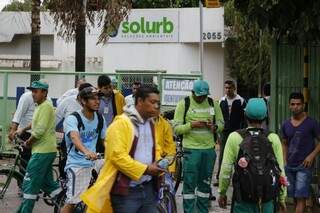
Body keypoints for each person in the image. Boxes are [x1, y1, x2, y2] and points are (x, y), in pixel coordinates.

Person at [81, 85, 166, 213]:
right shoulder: (122, 124)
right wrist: (146, 169)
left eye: (158, 103)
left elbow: (155, 149)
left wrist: (159, 162)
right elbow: (117, 157)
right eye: (152, 102)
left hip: (147, 188)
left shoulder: (151, 123)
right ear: (140, 102)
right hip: (126, 191)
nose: (156, 106)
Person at [218, 98, 286, 213]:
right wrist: (282, 198)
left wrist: (222, 193)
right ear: (265, 116)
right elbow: (280, 171)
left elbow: (225, 170)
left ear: (245, 114)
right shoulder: (273, 138)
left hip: (242, 199)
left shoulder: (234, 137)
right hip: (267, 201)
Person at [173, 80, 224, 213]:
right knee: (189, 185)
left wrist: (214, 127)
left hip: (208, 151)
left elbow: (221, 124)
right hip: (191, 151)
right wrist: (191, 125)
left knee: (205, 185)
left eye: (204, 96)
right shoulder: (184, 104)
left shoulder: (213, 104)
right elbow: (177, 129)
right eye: (199, 96)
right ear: (192, 93)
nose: (202, 98)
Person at [16, 81, 61, 213]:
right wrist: (22, 129)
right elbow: (35, 123)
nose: (33, 94)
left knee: (29, 185)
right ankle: (65, 200)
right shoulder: (40, 106)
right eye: (32, 91)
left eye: (36, 91)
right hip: (46, 150)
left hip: (42, 152)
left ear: (44, 93)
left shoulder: (46, 106)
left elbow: (39, 131)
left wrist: (28, 142)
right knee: (47, 184)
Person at [61, 86, 107, 213]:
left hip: (94, 161)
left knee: (114, 171)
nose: (97, 101)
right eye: (93, 98)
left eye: (98, 98)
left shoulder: (99, 118)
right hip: (77, 164)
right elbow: (75, 138)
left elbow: (105, 140)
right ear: (83, 101)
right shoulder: (73, 118)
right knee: (73, 201)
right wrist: (86, 152)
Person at [281, 92, 320, 213]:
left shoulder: (311, 123)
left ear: (303, 105)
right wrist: (284, 160)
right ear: (289, 105)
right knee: (294, 197)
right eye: (293, 104)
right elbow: (285, 143)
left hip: (304, 166)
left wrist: (311, 156)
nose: (295, 107)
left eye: (298, 104)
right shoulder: (285, 124)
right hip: (289, 166)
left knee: (300, 197)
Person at [216, 80, 246, 185]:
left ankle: (237, 178)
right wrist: (218, 133)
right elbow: (218, 118)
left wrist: (243, 132)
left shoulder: (241, 101)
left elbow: (244, 119)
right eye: (226, 88)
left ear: (234, 88)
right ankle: (220, 178)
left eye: (230, 88)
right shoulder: (221, 101)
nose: (228, 90)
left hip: (237, 132)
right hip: (224, 132)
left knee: (237, 154)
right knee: (223, 155)